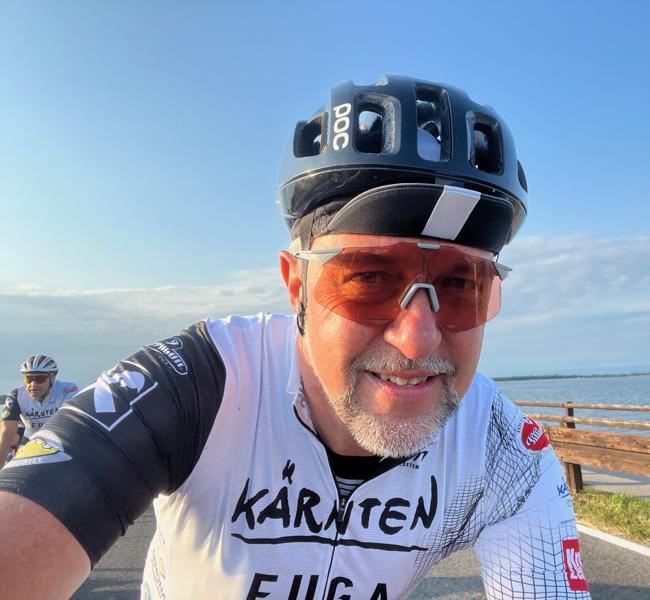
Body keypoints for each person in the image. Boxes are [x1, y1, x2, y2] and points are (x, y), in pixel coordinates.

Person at [0, 75, 591, 599]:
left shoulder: (501, 451)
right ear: (296, 285)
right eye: (368, 278)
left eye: (463, 284)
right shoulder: (198, 385)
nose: (417, 340)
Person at [0, 355, 79, 468]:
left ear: (52, 379)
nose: (33, 385)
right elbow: (6, 431)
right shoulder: (17, 395)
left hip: (60, 440)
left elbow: (69, 422)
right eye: (28, 379)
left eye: (40, 379)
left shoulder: (67, 389)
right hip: (31, 440)